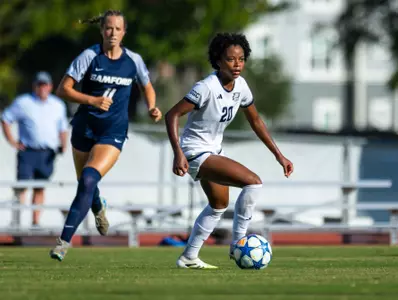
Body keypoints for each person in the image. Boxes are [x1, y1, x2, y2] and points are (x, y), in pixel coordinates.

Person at [165, 33, 294, 269]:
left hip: (213, 152)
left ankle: (189, 257)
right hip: (195, 152)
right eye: (230, 59)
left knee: (218, 205)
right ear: (218, 60)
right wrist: (178, 153)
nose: (237, 64)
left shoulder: (241, 87)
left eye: (241, 59)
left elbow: (256, 122)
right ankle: (239, 244)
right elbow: (172, 114)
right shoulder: (205, 87)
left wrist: (279, 155)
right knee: (253, 183)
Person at [49, 10, 162, 261]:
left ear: (124, 32)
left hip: (112, 131)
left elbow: (147, 86)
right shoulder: (89, 56)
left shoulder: (133, 60)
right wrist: (92, 100)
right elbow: (63, 89)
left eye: (117, 29)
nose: (112, 33)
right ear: (102, 30)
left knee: (89, 179)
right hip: (84, 128)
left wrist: (152, 107)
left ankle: (63, 242)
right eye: (108, 28)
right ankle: (98, 205)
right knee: (86, 184)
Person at [1, 71, 68, 228]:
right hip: (28, 151)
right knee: (22, 186)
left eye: (45, 85)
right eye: (39, 85)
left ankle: (35, 222)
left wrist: (63, 145)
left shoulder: (57, 105)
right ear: (34, 86)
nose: (42, 88)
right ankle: (16, 220)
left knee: (40, 187)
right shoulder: (23, 102)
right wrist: (12, 141)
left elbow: (63, 128)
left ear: (50, 87)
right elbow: (5, 119)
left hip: (47, 153)